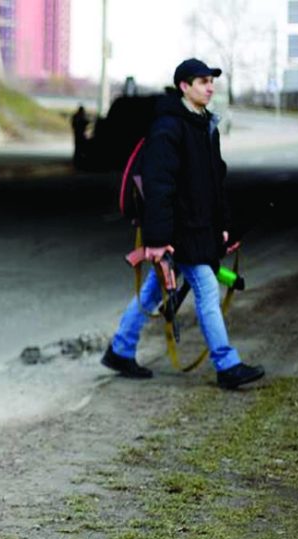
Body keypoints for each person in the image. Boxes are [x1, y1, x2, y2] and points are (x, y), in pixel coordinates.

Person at [101, 58, 264, 390]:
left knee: (150, 293)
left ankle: (120, 349)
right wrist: (158, 239)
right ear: (184, 87)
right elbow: (159, 186)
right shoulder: (168, 127)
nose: (209, 86)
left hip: (198, 228)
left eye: (211, 81)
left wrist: (225, 227)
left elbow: (213, 183)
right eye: (202, 81)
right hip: (178, 232)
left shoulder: (205, 125)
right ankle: (227, 364)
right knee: (206, 288)